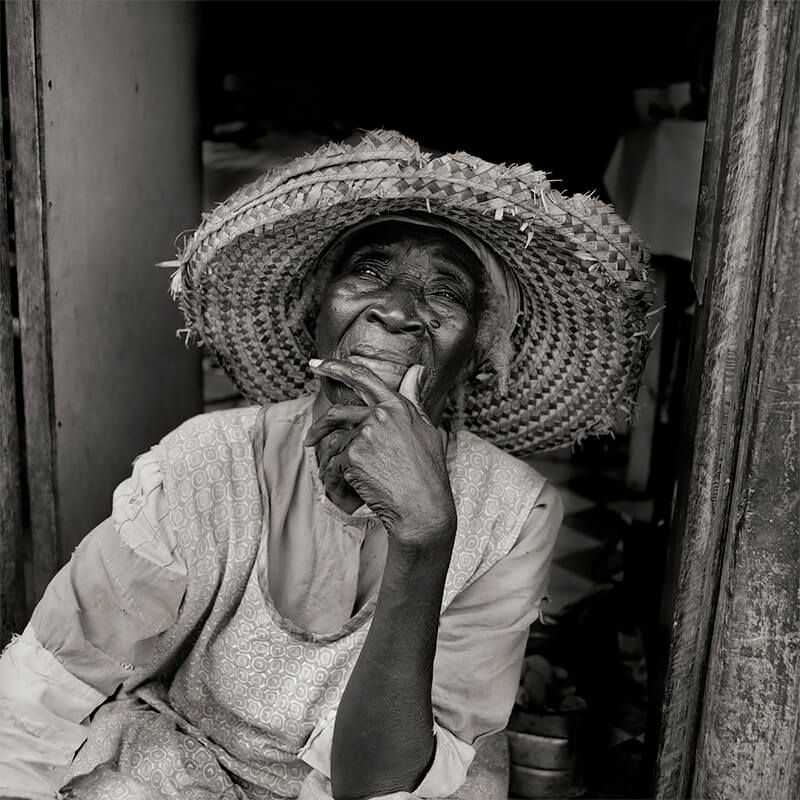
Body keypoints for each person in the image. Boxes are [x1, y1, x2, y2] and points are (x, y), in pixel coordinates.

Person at [0, 130, 652, 800]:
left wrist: (424, 538)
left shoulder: (514, 511)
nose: (397, 311)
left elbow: (381, 786)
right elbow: (46, 686)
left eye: (446, 293)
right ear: (317, 314)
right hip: (191, 770)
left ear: (478, 359)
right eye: (368, 272)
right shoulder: (206, 463)